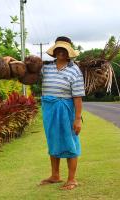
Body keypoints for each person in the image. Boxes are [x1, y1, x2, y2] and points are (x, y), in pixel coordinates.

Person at [39, 36, 85, 190]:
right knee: (53, 140)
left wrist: (77, 119)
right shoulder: (46, 67)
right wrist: (11, 62)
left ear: (69, 52)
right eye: (59, 49)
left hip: (66, 109)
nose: (61, 52)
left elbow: (77, 97)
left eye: (64, 49)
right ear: (55, 50)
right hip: (48, 109)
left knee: (70, 142)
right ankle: (55, 175)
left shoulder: (74, 70)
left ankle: (72, 179)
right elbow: (28, 74)